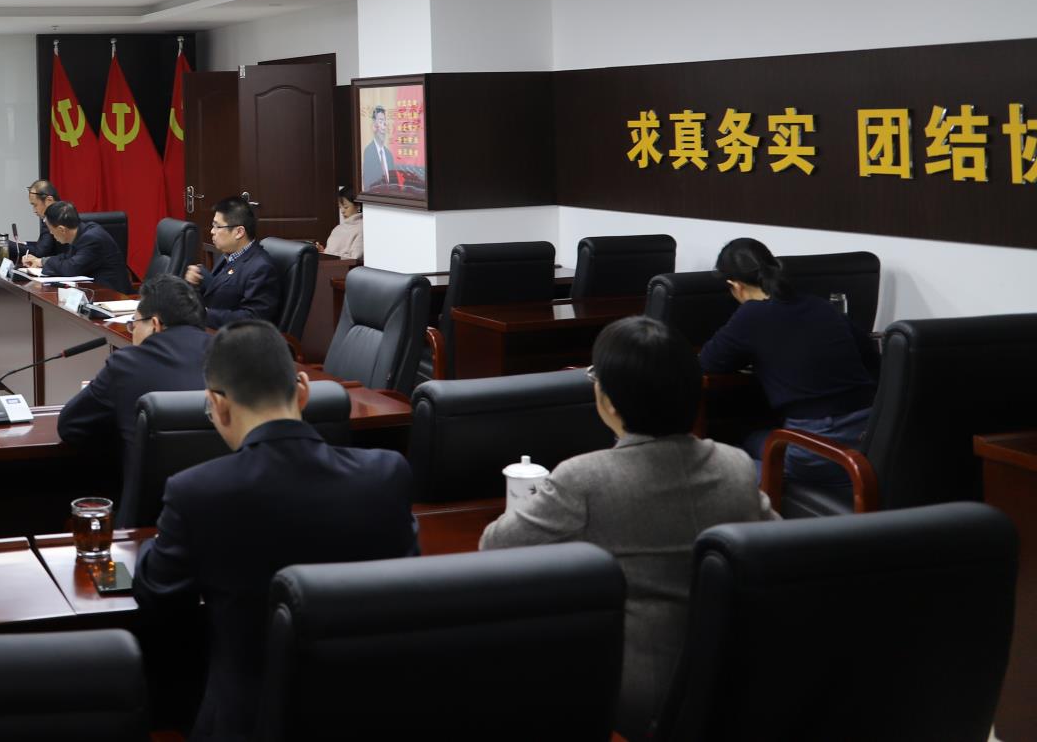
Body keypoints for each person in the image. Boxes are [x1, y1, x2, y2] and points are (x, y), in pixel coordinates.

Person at [481, 315, 778, 740]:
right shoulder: (737, 465)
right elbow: (777, 550)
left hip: (636, 694)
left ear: (609, 402)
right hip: (738, 682)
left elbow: (495, 546)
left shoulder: (584, 477)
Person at [134, 321, 416, 742]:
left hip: (248, 722)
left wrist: (151, 546)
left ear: (218, 404)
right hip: (367, 716)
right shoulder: (386, 474)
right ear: (302, 390)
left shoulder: (197, 493)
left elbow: (157, 594)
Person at [700, 237, 879, 500]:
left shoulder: (750, 316)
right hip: (869, 439)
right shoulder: (820, 304)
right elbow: (870, 354)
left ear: (734, 285)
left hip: (816, 448)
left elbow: (707, 363)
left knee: (735, 447)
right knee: (756, 438)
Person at [57, 275, 209, 452]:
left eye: (134, 324)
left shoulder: (126, 364)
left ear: (154, 325)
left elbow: (69, 426)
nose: (132, 333)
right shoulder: (225, 354)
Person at [184, 197, 282, 327]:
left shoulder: (261, 268)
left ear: (239, 232)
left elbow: (253, 318)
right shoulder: (229, 254)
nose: (212, 231)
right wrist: (196, 283)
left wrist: (204, 315)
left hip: (232, 337)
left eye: (217, 226)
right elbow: (221, 294)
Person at [20, 201, 130, 293]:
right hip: (96, 292)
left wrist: (42, 262)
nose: (51, 233)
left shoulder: (92, 238)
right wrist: (41, 261)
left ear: (62, 229)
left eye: (51, 230)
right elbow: (68, 257)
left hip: (112, 296)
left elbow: (71, 268)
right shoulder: (82, 232)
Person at [18, 179, 63, 260]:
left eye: (35, 205)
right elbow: (44, 245)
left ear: (49, 200)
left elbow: (40, 252)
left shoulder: (58, 218)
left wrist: (6, 245)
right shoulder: (54, 215)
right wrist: (24, 244)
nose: (34, 211)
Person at [322, 186, 363, 262]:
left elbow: (355, 258)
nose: (342, 211)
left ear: (358, 206)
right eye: (340, 207)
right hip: (330, 267)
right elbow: (330, 253)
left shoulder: (362, 229)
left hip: (346, 268)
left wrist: (330, 255)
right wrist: (323, 252)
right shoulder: (337, 229)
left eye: (346, 207)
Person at [362, 103, 398, 188]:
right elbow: (368, 185)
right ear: (374, 126)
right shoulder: (368, 152)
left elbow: (394, 183)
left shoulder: (389, 155)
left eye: (385, 123)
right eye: (380, 122)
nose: (383, 127)